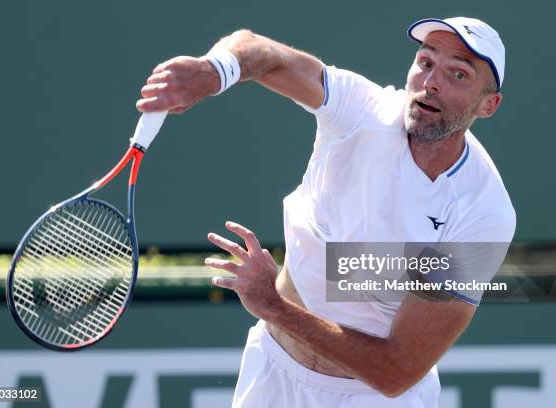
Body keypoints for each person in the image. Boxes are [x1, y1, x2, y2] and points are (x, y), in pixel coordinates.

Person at [137, 16, 516, 408]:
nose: (431, 81)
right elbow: (263, 52)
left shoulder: (482, 213)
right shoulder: (361, 110)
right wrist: (215, 70)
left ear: (488, 104)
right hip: (271, 373)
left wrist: (273, 306)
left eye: (458, 75)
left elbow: (395, 371)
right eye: (425, 62)